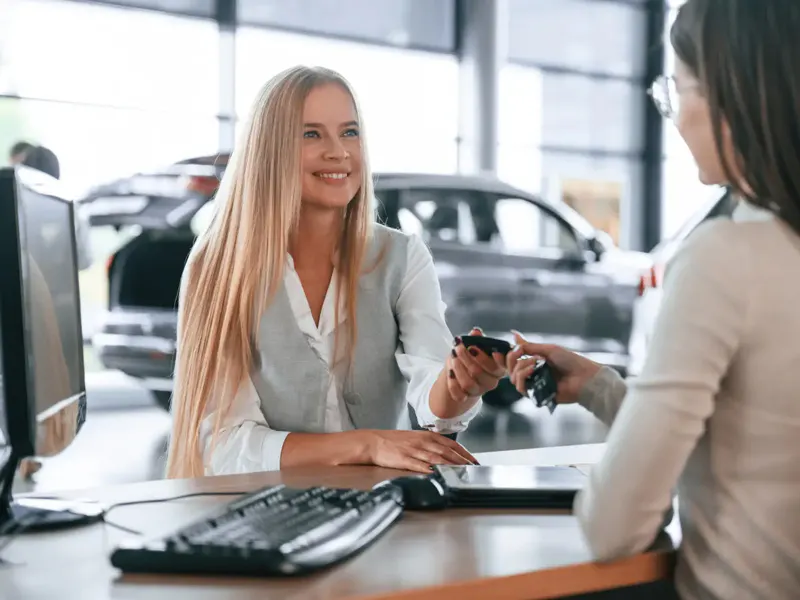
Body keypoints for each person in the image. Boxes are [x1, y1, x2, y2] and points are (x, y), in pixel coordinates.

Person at [508, 1, 800, 598]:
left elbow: (614, 526)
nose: (671, 114)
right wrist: (599, 386)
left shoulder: (727, 255)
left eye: (676, 88)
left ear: (732, 95)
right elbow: (754, 431)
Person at [166, 66, 506, 480]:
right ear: (269, 151)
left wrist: (457, 385)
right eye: (311, 134)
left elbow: (435, 398)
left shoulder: (403, 257)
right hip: (263, 510)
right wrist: (366, 445)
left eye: (350, 132)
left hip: (381, 506)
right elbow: (221, 443)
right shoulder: (218, 269)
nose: (338, 152)